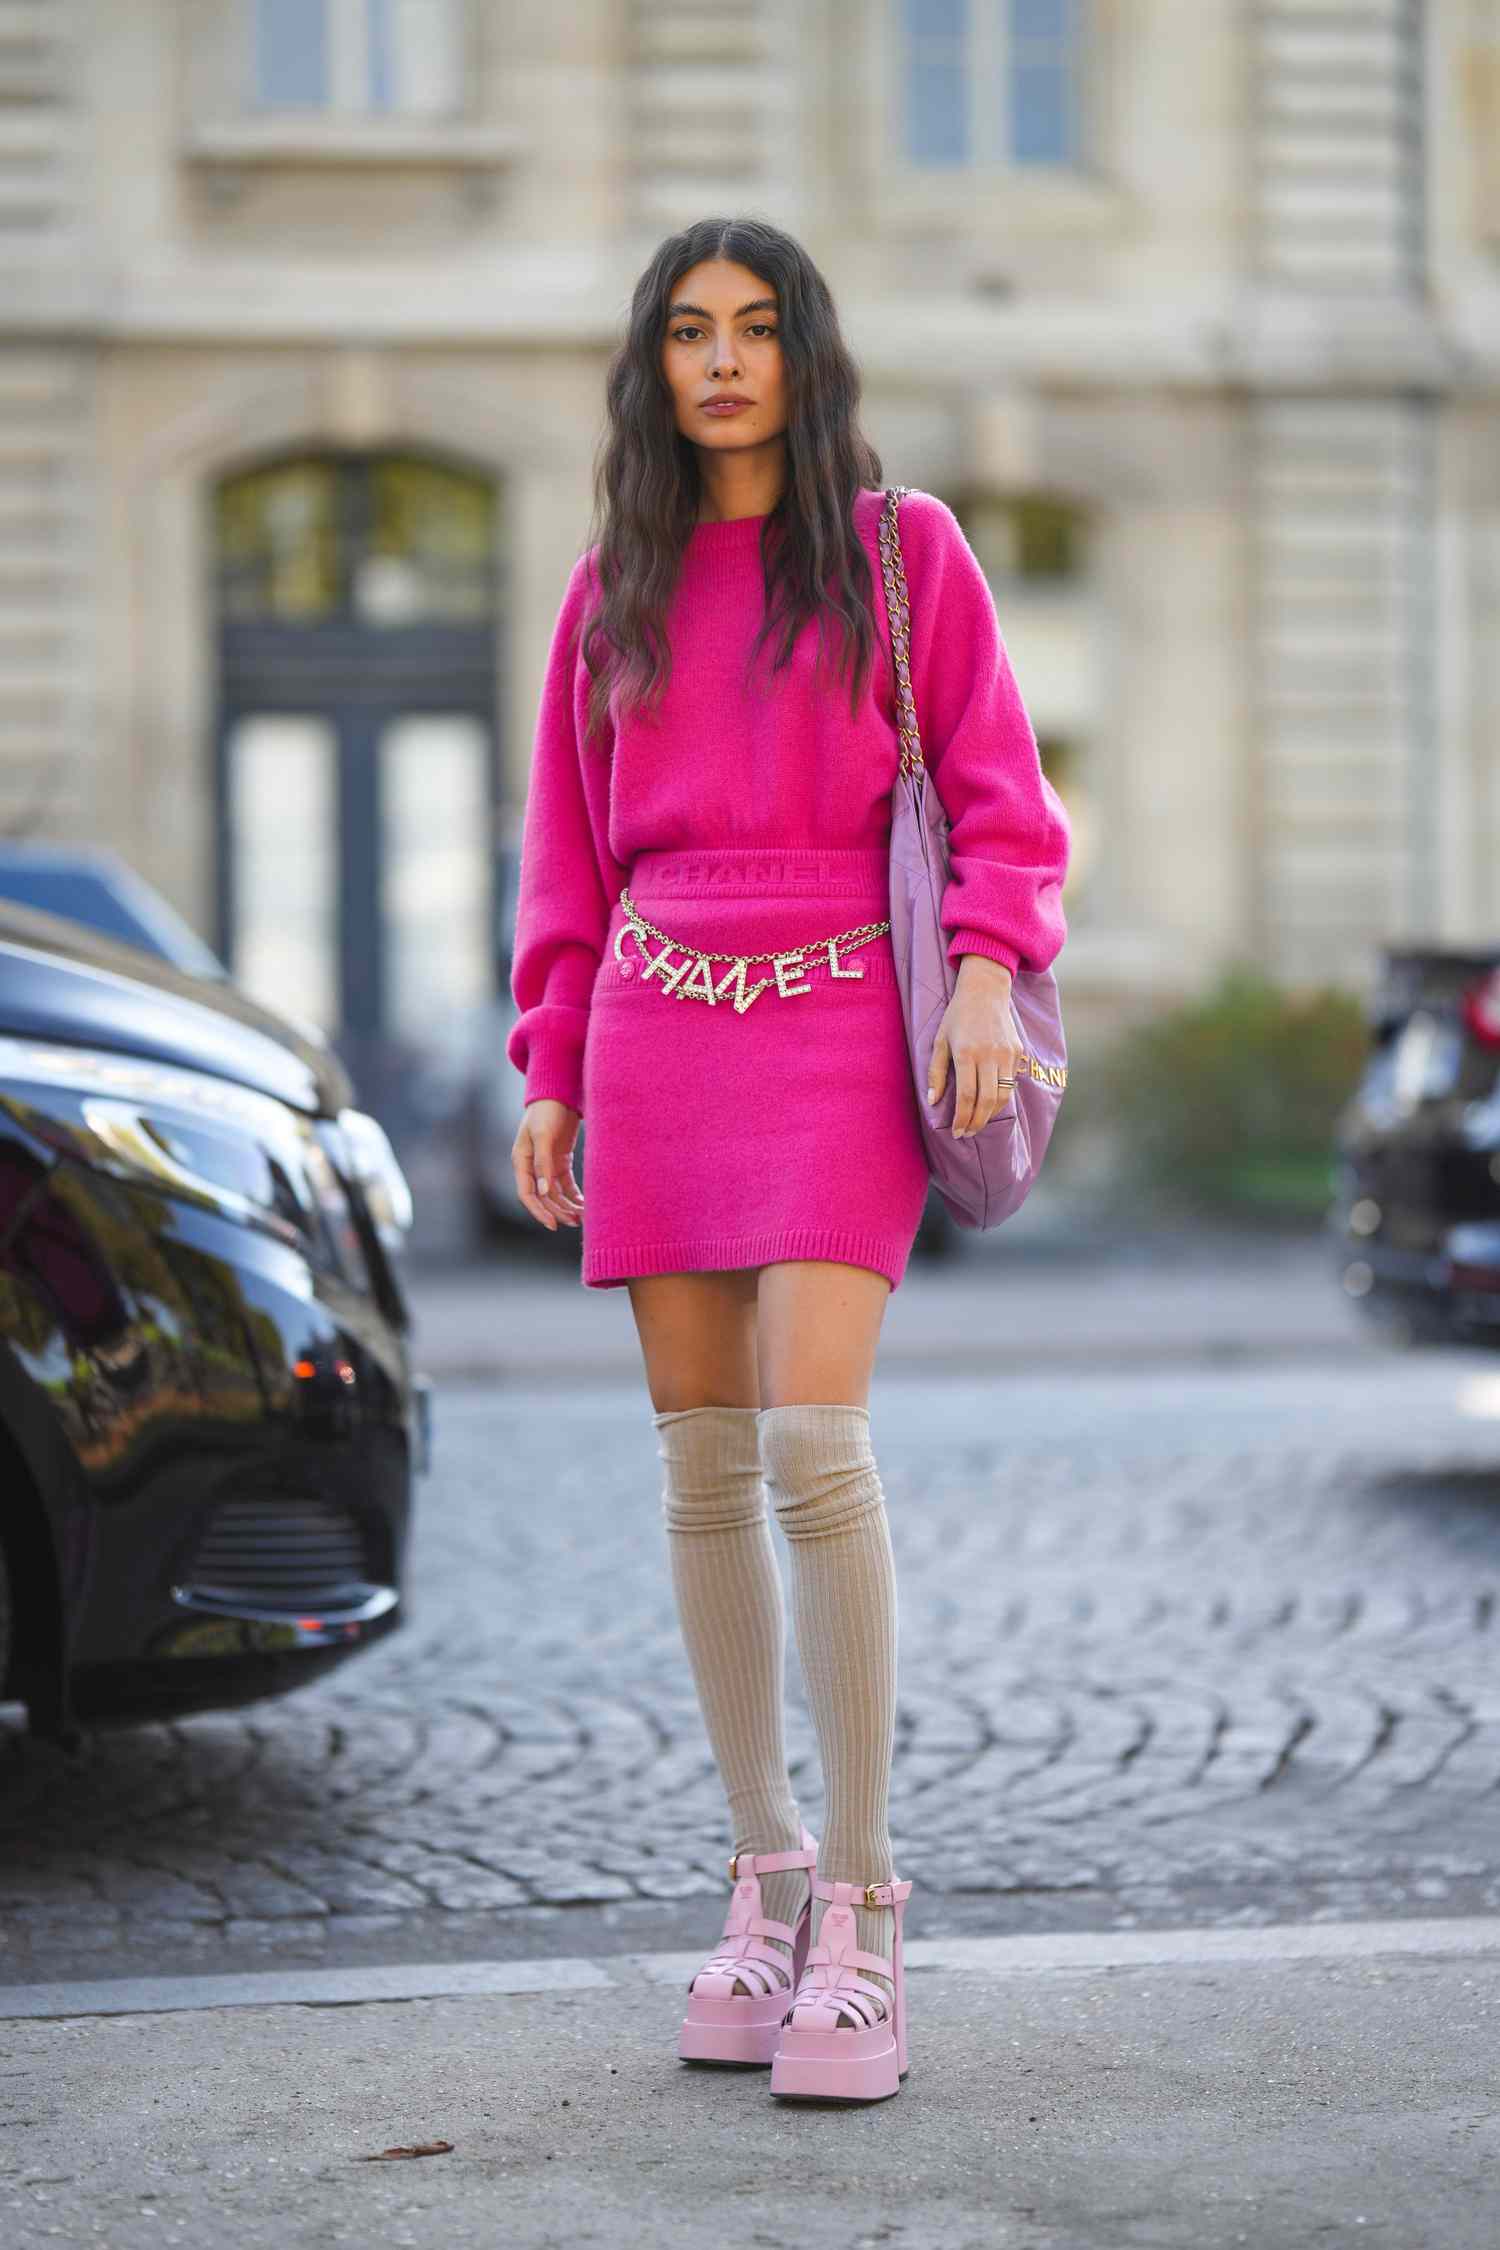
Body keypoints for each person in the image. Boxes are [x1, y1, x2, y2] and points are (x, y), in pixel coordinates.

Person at [506, 216, 1070, 2104]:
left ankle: (869, 1912)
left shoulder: (907, 558)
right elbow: (567, 858)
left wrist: (985, 971)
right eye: (689, 331)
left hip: (846, 1019)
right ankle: (760, 1881)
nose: (723, 359)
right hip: (656, 1025)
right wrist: (552, 1062)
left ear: (805, 352)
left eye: (755, 328)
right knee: (700, 1466)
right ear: (654, 367)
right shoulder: (617, 586)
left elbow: (1001, 792)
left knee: (818, 1449)